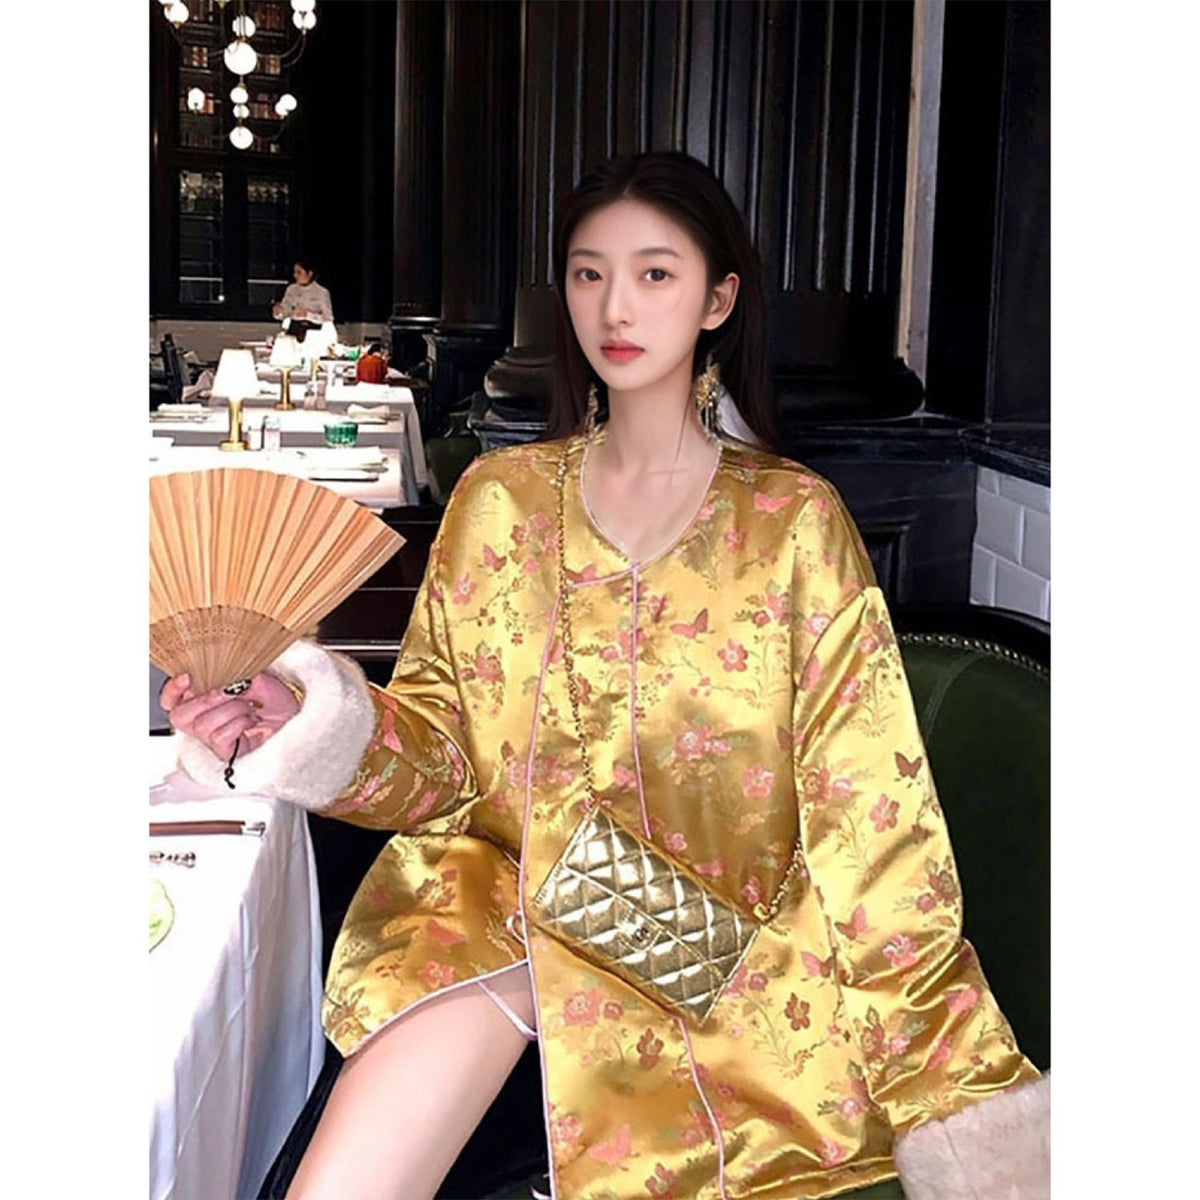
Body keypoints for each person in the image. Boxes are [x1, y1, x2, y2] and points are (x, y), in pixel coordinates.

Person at [161, 152, 1049, 1200]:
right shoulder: (499, 502)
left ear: (719, 298)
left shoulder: (792, 525)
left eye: (656, 274)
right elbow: (445, 755)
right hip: (505, 905)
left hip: (727, 965)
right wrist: (303, 723)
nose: (615, 306)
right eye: (588, 274)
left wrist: (954, 1092)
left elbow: (873, 817)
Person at [272, 257, 335, 324]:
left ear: (310, 273)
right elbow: (285, 311)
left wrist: (308, 315)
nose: (295, 275)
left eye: (299, 272)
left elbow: (328, 318)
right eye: (295, 272)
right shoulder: (291, 289)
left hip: (313, 330)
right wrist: (278, 312)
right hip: (293, 328)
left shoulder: (322, 292)